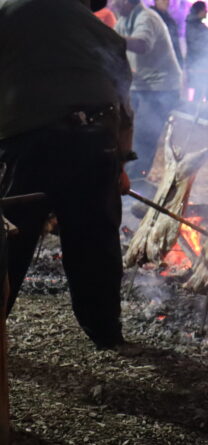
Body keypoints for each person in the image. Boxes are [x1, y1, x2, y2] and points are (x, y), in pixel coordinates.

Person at [0, 0, 133, 350]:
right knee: (94, 240)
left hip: (28, 143)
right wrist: (121, 162)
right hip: (95, 142)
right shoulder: (98, 29)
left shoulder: (8, 12)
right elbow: (123, 99)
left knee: (9, 236)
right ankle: (106, 332)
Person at [112, 0, 182, 191]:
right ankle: (129, 184)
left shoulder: (146, 18)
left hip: (161, 88)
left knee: (143, 139)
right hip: (140, 87)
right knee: (129, 135)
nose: (113, 4)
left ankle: (135, 187)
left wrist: (110, 38)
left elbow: (142, 44)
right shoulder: (123, 20)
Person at [185, 1, 208, 94]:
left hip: (196, 60)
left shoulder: (193, 24)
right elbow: (197, 44)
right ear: (200, 11)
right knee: (199, 87)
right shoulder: (194, 26)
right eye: (205, 10)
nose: (207, 12)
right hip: (197, 61)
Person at [153, 0, 184, 68]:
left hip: (169, 63)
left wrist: (180, 64)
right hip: (156, 63)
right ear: (156, 1)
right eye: (163, 0)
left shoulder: (169, 19)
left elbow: (175, 45)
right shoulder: (151, 18)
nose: (167, 2)